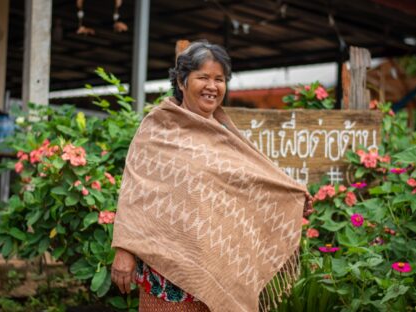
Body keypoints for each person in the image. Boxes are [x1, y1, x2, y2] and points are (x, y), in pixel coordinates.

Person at [110, 40, 307, 312]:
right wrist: (124, 249)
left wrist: (291, 199)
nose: (212, 86)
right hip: (165, 274)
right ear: (181, 81)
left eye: (219, 79)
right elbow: (134, 191)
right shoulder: (158, 128)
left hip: (217, 265)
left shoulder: (225, 135)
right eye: (203, 77)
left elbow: (253, 184)